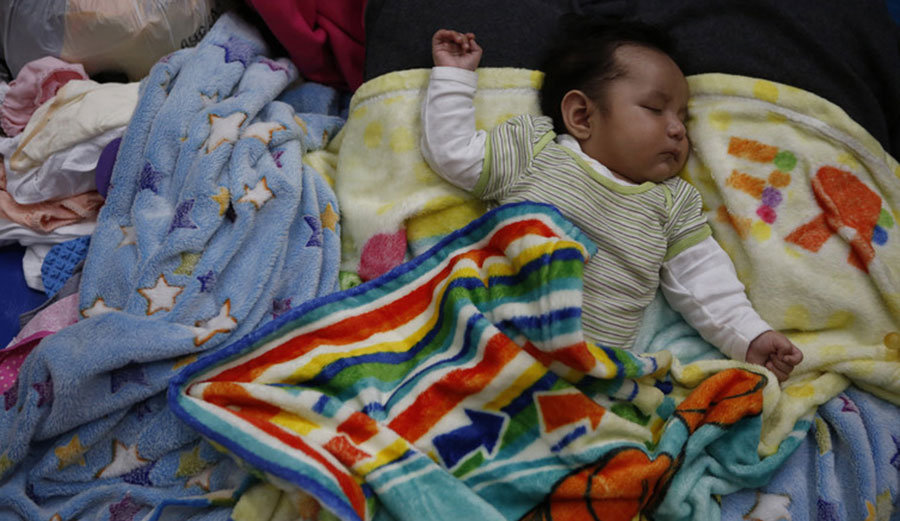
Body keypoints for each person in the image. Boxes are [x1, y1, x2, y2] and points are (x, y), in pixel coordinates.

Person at [419, 18, 804, 381]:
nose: (676, 130)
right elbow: (454, 153)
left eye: (683, 119)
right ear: (582, 115)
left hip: (584, 376)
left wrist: (750, 337)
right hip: (482, 340)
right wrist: (454, 77)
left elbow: (704, 282)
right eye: (655, 109)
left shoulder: (672, 204)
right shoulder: (534, 152)